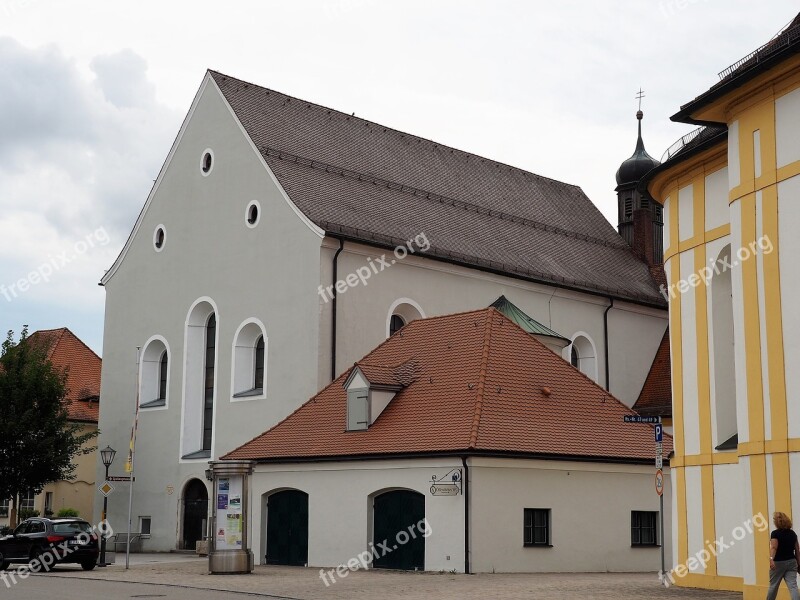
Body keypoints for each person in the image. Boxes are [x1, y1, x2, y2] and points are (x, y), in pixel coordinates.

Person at [767, 511, 800, 600]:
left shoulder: (775, 533)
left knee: (773, 586)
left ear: (776, 522)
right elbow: (797, 550)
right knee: (793, 586)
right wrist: (799, 564)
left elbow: (774, 547)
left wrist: (771, 559)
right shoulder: (793, 534)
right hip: (792, 562)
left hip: (778, 563)